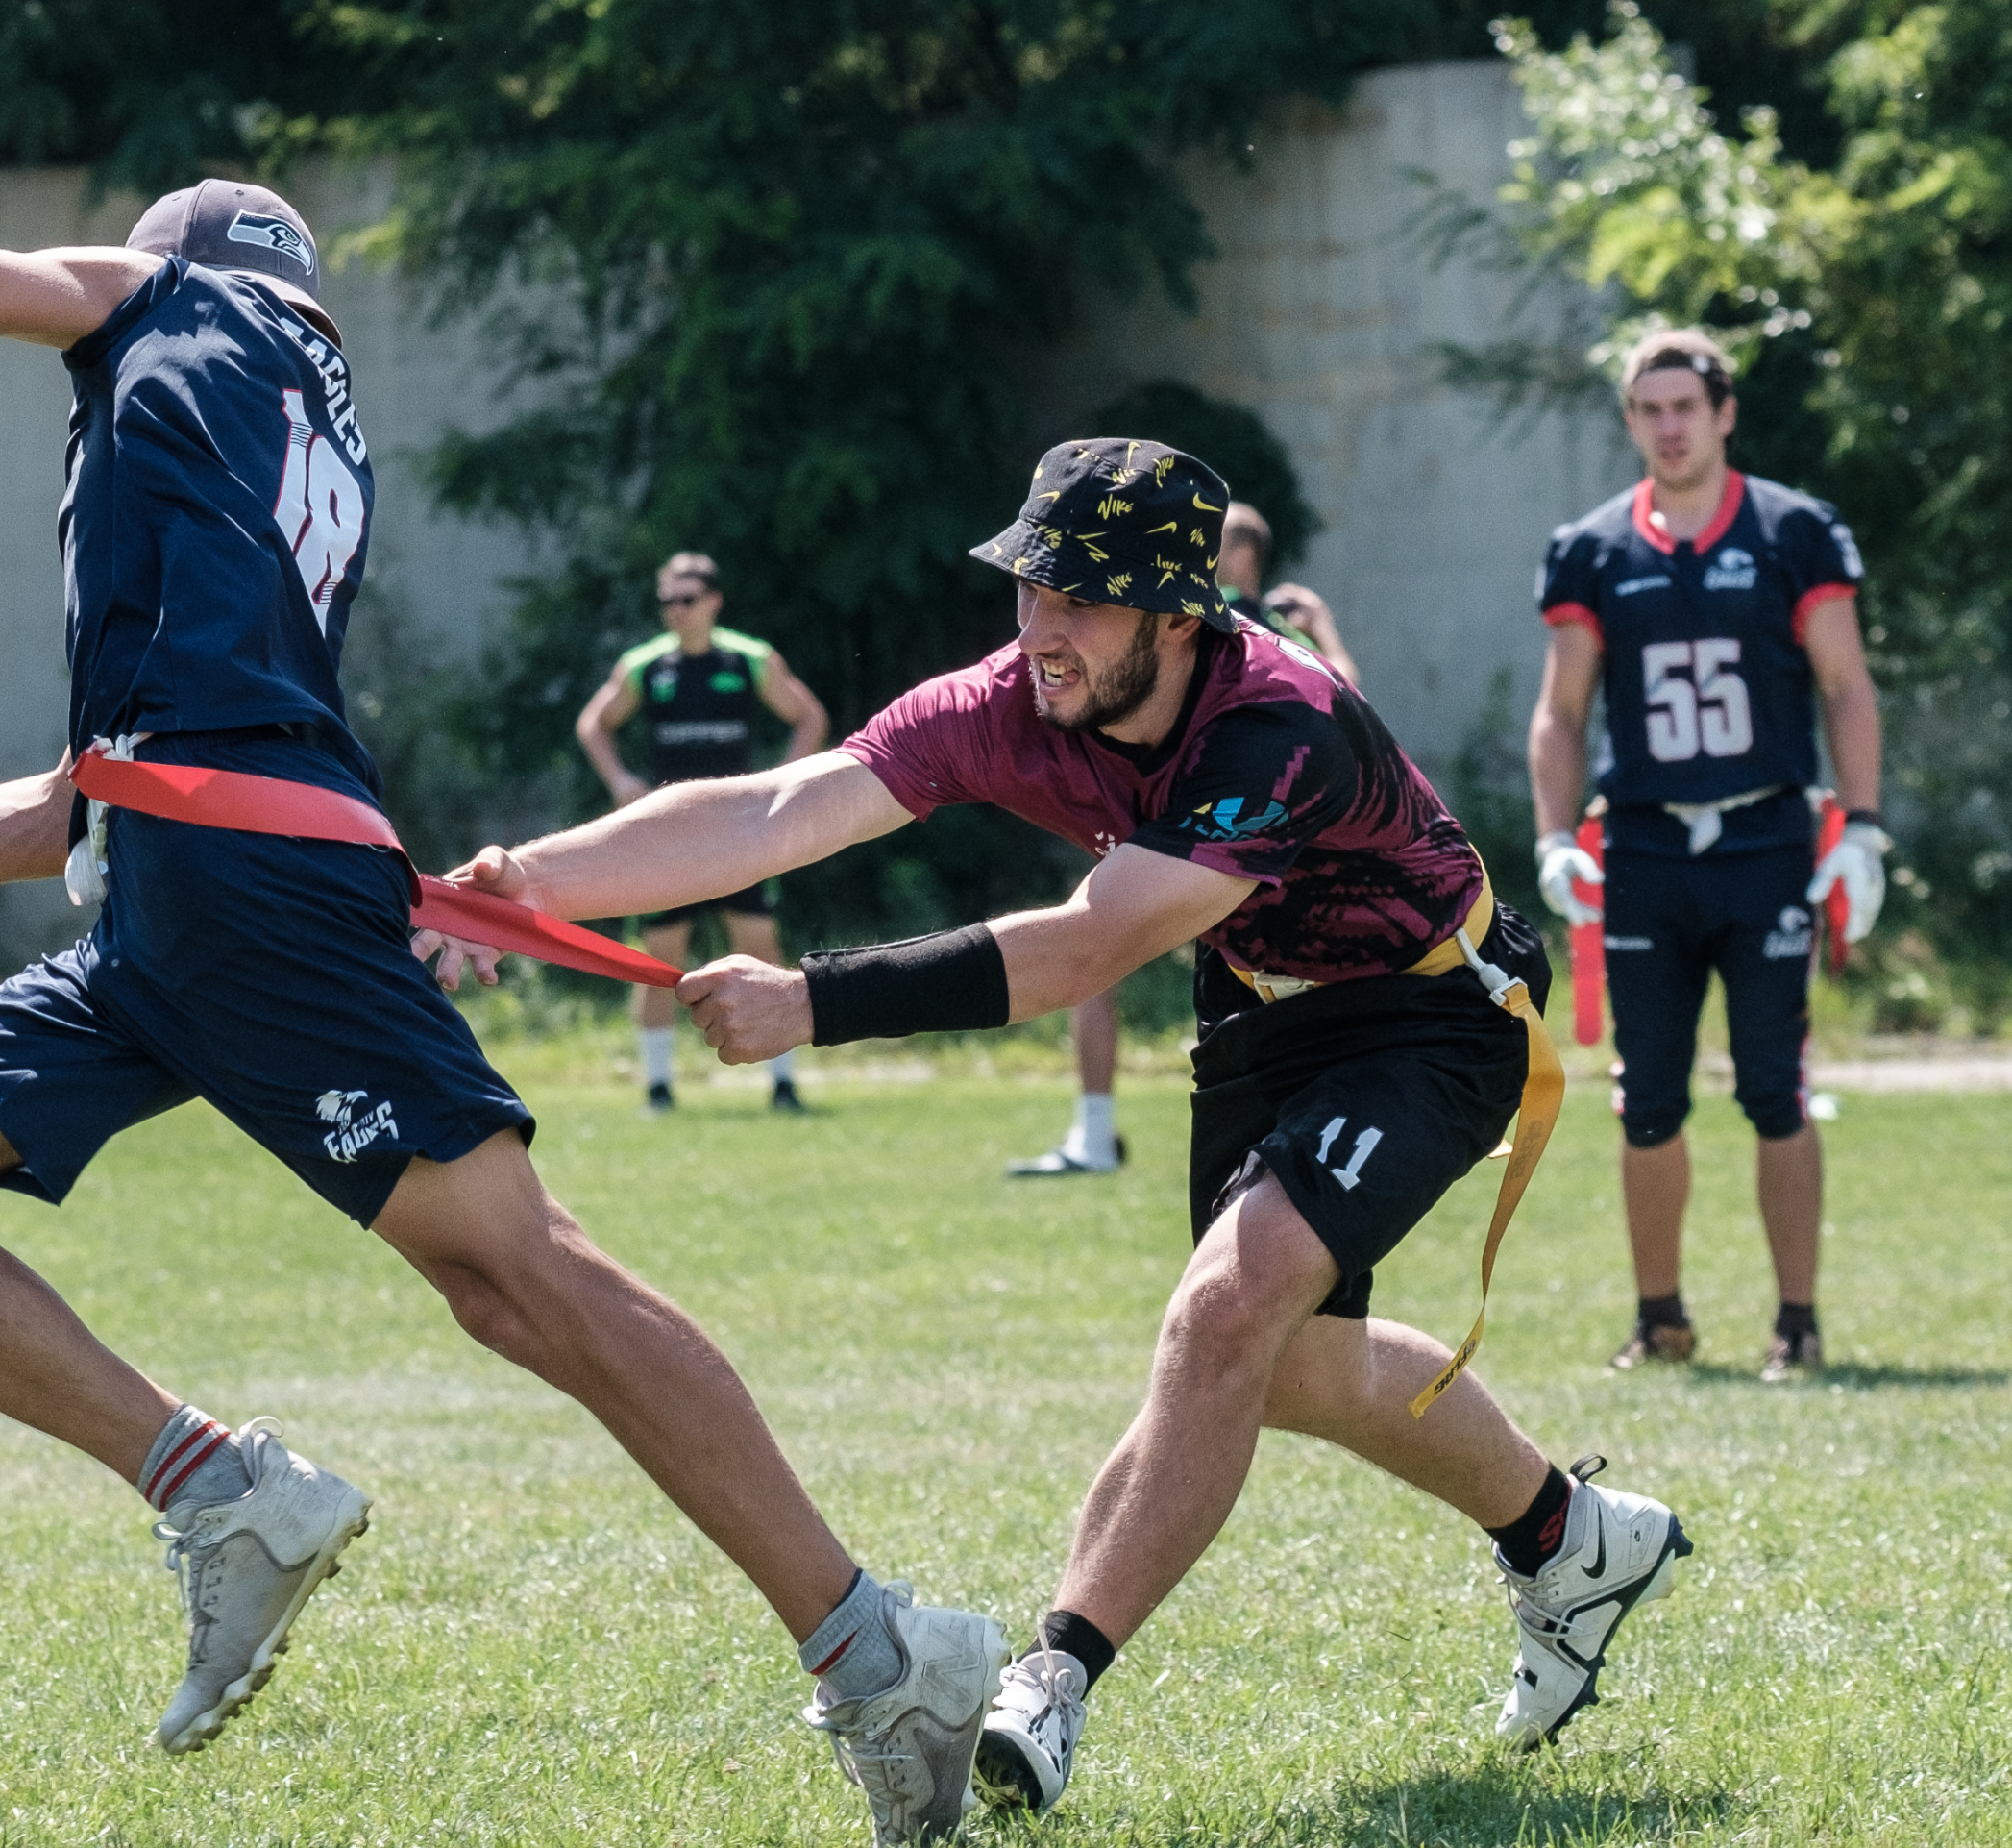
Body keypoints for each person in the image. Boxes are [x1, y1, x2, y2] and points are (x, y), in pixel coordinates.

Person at [0, 182, 1004, 1847]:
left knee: (521, 1273)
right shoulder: (286, 417)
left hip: (231, 884)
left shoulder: (159, 304)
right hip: (179, 880)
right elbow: (92, 798)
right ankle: (220, 1491)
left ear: (177, 264)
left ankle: (885, 1653)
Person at [450, 438, 1691, 1819]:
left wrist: (816, 1002)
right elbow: (782, 808)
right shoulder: (1016, 697)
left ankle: (1054, 1676)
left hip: (1429, 1012)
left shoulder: (1272, 724)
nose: (1040, 628)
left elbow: (1087, 950)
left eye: (1081, 601)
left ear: (1177, 612)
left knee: (1226, 1313)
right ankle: (1567, 1536)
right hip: (1261, 1012)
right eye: (1030, 587)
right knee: (1289, 1369)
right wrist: (524, 883)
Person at [1526, 329, 1883, 1381]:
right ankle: (1661, 1314)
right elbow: (1561, 709)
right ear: (1631, 419)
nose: (1669, 426)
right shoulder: (1592, 547)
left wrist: (1860, 825)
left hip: (1768, 835)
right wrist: (1551, 837)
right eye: (1650, 408)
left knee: (1777, 1084)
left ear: (1725, 411)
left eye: (1687, 405)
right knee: (1647, 1095)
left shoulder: (1793, 530)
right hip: (1644, 844)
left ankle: (1799, 1321)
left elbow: (1846, 685)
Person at [1013, 500, 1362, 1179]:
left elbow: (1342, 704)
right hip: (1250, 844)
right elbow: (1349, 693)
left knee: (1089, 958)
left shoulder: (1214, 619)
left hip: (1192, 837)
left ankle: (1094, 1132)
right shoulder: (1286, 625)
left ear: (1238, 556)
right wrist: (1325, 627)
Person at [574, 553, 830, 1113]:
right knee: (659, 957)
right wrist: (620, 780)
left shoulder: (749, 659)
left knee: (761, 948)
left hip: (739, 831)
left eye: (687, 600)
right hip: (667, 836)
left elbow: (810, 716)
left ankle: (784, 1086)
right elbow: (593, 723)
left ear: (713, 601)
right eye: (667, 601)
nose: (676, 611)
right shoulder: (646, 665)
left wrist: (781, 783)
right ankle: (658, 1089)